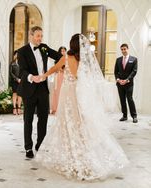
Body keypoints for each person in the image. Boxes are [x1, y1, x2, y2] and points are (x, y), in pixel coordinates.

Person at [36, 34, 129, 181]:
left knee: (66, 124)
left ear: (71, 45)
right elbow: (88, 78)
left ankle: (72, 158)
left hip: (67, 95)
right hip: (79, 95)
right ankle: (82, 155)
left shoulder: (66, 57)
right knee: (79, 124)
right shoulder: (83, 60)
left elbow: (54, 68)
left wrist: (42, 76)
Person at [17, 26, 62, 158]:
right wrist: (32, 77)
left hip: (43, 88)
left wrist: (70, 57)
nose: (40, 38)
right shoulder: (22, 51)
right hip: (29, 89)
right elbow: (23, 71)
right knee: (28, 119)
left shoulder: (44, 47)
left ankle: (40, 144)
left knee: (43, 118)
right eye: (38, 36)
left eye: (41, 36)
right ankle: (28, 148)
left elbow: (59, 56)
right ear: (31, 36)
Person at [114, 44, 138, 123]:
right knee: (122, 100)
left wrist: (127, 80)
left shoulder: (134, 59)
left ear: (128, 49)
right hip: (120, 83)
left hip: (129, 84)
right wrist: (118, 80)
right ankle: (124, 116)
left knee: (130, 99)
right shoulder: (118, 60)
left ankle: (134, 116)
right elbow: (116, 72)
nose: (123, 51)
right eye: (122, 49)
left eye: (124, 49)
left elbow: (134, 71)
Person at [50, 46, 66, 114]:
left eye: (64, 51)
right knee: (57, 92)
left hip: (64, 77)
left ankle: (63, 109)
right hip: (58, 76)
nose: (62, 52)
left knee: (64, 92)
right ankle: (55, 108)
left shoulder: (67, 59)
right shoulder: (57, 60)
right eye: (61, 51)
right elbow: (55, 69)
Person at [9, 50, 22, 115]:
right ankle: (14, 108)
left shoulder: (22, 63)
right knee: (15, 94)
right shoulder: (12, 63)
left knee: (20, 95)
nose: (17, 56)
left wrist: (21, 79)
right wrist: (17, 79)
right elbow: (11, 73)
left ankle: (19, 108)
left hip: (21, 81)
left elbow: (24, 71)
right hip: (14, 81)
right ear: (14, 55)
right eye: (16, 54)